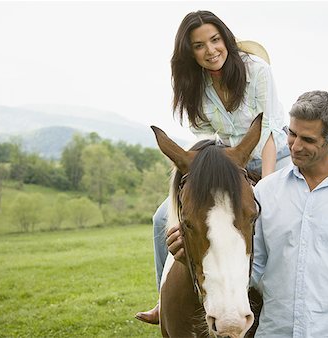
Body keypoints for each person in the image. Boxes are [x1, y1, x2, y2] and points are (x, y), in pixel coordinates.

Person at [167, 90, 328, 336]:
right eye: (292, 134)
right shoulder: (266, 192)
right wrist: (193, 260)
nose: (296, 146)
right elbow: (253, 267)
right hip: (276, 331)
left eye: (308, 140)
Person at [135, 10, 291, 325]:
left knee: (279, 220)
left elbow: (271, 129)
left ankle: (284, 299)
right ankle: (162, 300)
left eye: (215, 40)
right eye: (199, 45)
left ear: (226, 40)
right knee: (160, 218)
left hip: (273, 157)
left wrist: (268, 186)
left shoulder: (257, 72)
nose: (211, 50)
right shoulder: (195, 86)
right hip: (228, 164)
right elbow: (205, 137)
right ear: (189, 52)